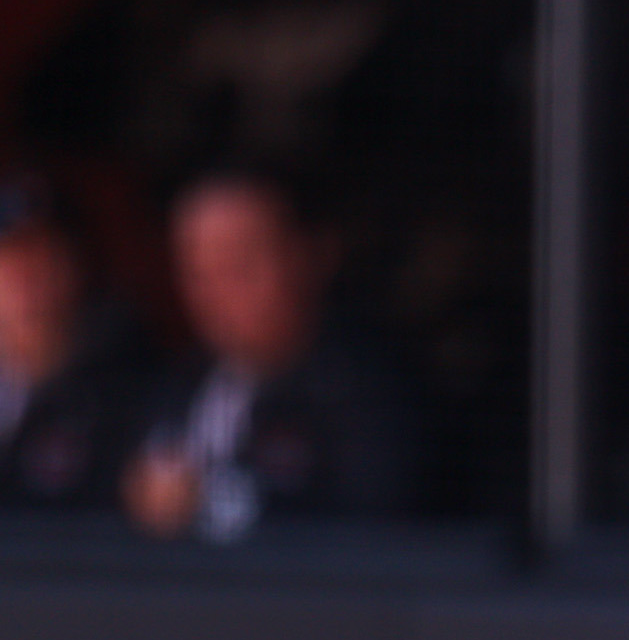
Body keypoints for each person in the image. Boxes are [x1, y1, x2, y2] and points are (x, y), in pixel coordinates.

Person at [122, 169, 421, 540]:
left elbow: (369, 537)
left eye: (239, 266)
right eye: (196, 270)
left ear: (312, 256)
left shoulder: (367, 394)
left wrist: (204, 502)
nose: (214, 292)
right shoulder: (177, 384)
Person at [0, 174, 145, 511]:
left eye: (42, 255)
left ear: (75, 265)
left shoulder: (123, 395)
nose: (25, 278)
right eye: (9, 258)